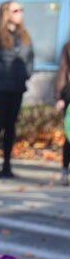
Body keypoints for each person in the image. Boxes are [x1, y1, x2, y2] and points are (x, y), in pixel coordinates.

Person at [0, 0, 33, 179]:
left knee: (11, 127)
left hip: (17, 88)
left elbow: (29, 58)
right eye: (16, 10)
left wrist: (27, 74)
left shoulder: (24, 36)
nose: (20, 13)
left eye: (21, 9)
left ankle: (7, 165)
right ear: (6, 13)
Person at [56, 41, 70, 186]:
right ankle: (65, 170)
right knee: (69, 136)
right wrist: (59, 96)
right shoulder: (67, 47)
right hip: (69, 97)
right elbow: (63, 71)